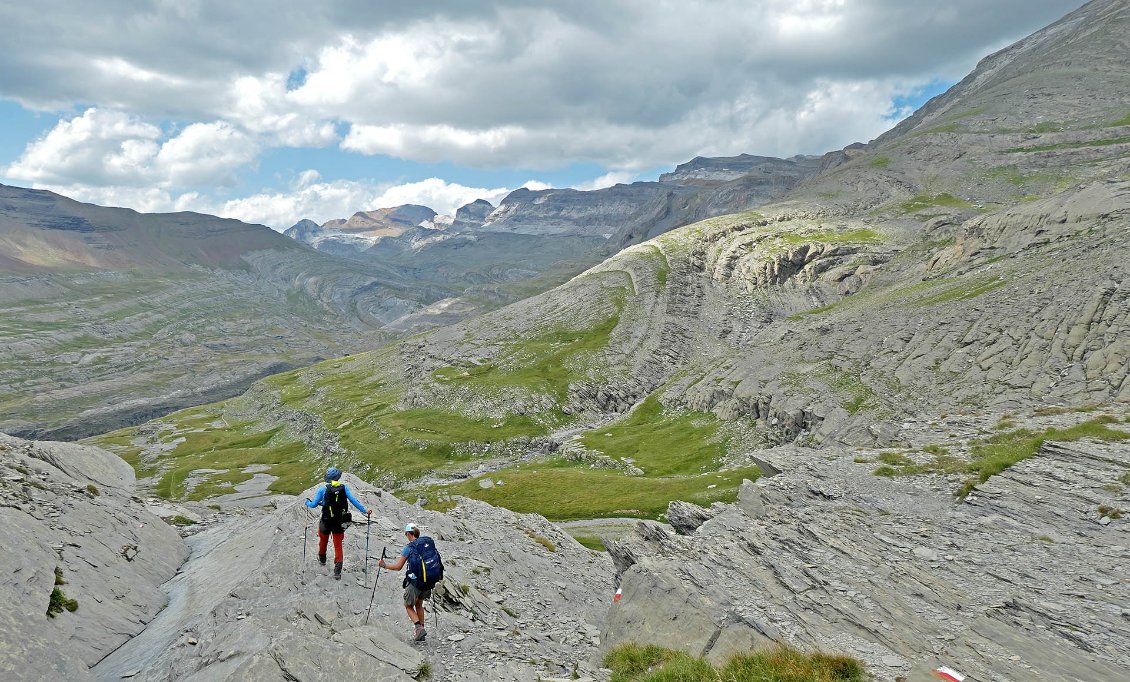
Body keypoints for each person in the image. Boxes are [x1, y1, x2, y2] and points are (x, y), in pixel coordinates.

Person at [378, 522, 444, 641]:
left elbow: (398, 567)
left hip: (415, 582)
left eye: (406, 534)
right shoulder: (426, 543)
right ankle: (422, 631)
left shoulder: (410, 547)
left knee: (408, 605)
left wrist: (384, 565)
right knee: (419, 604)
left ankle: (419, 629)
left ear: (409, 534)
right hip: (428, 581)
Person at [305, 467, 369, 580]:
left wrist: (307, 503)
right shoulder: (344, 488)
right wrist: (365, 510)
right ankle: (337, 570)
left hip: (326, 520)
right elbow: (354, 500)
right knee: (338, 544)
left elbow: (314, 504)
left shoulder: (322, 489)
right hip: (339, 521)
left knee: (323, 539)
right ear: (338, 477)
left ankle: (322, 558)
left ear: (328, 479)